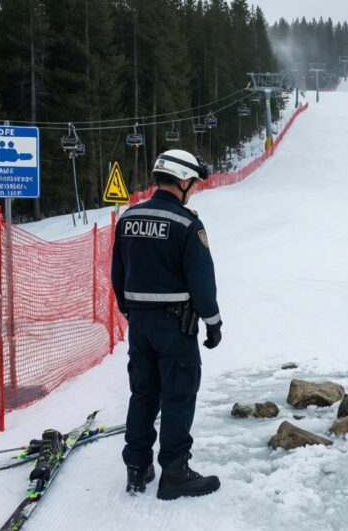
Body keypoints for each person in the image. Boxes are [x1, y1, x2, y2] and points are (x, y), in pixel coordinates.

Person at [111, 149, 223, 500]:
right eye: (193, 183)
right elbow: (202, 282)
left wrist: (131, 311)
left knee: (144, 393)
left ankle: (137, 466)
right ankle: (175, 472)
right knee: (178, 394)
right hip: (176, 326)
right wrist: (213, 322)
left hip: (140, 324)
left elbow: (117, 274)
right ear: (184, 180)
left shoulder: (128, 218)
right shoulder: (188, 224)